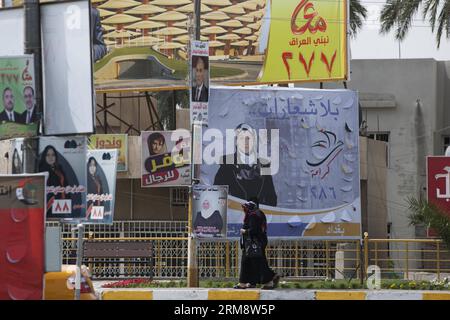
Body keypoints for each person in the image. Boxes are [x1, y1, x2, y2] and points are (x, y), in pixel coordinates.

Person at [214, 123, 277, 206]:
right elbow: (217, 198)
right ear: (236, 142)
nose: (245, 142)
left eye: (248, 138)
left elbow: (272, 200)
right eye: (241, 138)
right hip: (234, 216)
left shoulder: (263, 167)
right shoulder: (226, 166)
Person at [234, 200, 280, 289]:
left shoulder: (254, 215)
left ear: (250, 208)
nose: (244, 210)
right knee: (249, 262)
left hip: (254, 243)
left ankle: (269, 280)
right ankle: (251, 282)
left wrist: (245, 231)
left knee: (257, 262)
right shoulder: (257, 213)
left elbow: (255, 230)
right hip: (255, 242)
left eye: (245, 208)